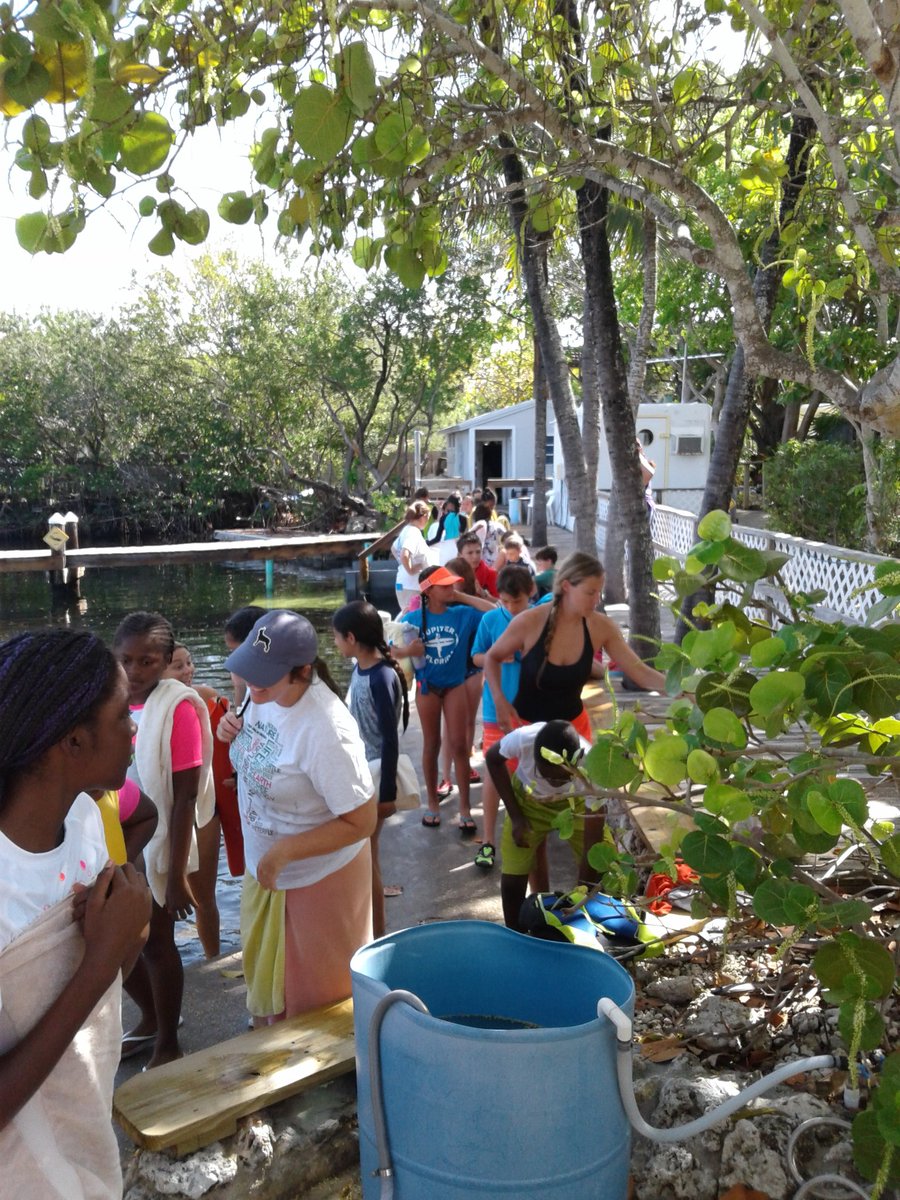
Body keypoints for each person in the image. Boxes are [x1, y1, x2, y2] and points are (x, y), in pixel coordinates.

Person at [0, 629, 151, 1197]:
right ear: (73, 743)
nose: (134, 726)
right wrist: (99, 965)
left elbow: (112, 961)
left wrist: (127, 929)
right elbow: (96, 973)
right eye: (120, 716)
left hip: (84, 1146)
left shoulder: (88, 823)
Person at [218, 611, 376, 1022]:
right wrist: (230, 732)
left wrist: (285, 851)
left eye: (265, 674)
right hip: (267, 868)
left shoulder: (326, 729)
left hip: (317, 880)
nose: (252, 680)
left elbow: (362, 821)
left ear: (303, 671)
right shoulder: (260, 692)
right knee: (273, 994)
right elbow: (265, 747)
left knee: (315, 1011)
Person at [114, 611, 215, 1068]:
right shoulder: (111, 703)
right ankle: (152, 1018)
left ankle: (168, 1041)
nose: (135, 673)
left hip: (155, 844)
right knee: (114, 944)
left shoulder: (178, 710)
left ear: (168, 660)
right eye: (126, 661)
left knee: (157, 942)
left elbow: (185, 797)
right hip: (114, 841)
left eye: (148, 662)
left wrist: (175, 876)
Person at [483, 551, 668, 743]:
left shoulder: (601, 626)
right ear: (566, 587)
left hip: (572, 732)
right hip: (525, 730)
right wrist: (499, 700)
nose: (597, 599)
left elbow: (639, 670)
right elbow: (492, 657)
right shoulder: (530, 621)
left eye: (599, 592)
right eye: (590, 592)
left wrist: (682, 691)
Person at [333, 601, 409, 938]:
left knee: (368, 856)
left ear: (351, 637)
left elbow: (390, 738)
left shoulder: (380, 676)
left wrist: (388, 793)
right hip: (362, 771)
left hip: (377, 775)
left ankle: (377, 933)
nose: (334, 643)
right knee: (366, 854)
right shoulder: (361, 669)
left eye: (336, 637)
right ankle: (372, 931)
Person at [396, 565, 492, 832]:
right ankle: (432, 804)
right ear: (428, 589)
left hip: (454, 686)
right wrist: (407, 650)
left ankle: (464, 808)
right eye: (445, 585)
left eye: (453, 584)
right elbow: (391, 652)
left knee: (460, 745)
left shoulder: (462, 614)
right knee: (432, 743)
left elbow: (494, 612)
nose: (451, 589)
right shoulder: (412, 619)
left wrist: (461, 596)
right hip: (428, 687)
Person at [485, 719, 594, 929]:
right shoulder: (522, 739)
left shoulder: (590, 762)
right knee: (511, 880)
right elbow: (492, 758)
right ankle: (516, 936)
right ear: (531, 754)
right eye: (546, 775)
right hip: (529, 801)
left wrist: (581, 898)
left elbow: (593, 843)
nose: (553, 783)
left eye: (561, 778)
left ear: (577, 760)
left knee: (602, 869)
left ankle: (592, 929)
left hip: (576, 803)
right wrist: (516, 816)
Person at [470, 564, 533, 869]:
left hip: (530, 711)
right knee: (494, 774)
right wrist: (496, 655)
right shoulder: (490, 619)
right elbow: (477, 656)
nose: (510, 607)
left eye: (517, 602)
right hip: (496, 711)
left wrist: (520, 654)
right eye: (505, 601)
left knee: (530, 775)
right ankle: (488, 841)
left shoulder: (539, 619)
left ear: (530, 594)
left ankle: (528, 832)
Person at [163, 641, 223, 957]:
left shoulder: (199, 699)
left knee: (204, 898)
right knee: (163, 905)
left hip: (202, 809)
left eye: (189, 662)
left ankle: (212, 959)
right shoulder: (149, 711)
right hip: (164, 815)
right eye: (178, 666)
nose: (187, 670)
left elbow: (216, 699)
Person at [392, 500, 432, 612]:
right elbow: (405, 554)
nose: (427, 521)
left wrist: (403, 565)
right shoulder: (414, 532)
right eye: (428, 518)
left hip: (403, 583)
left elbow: (394, 548)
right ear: (423, 516)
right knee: (412, 621)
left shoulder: (406, 530)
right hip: (412, 586)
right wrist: (411, 569)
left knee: (408, 618)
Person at [457, 530, 499, 598]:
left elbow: (501, 604)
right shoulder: (453, 574)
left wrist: (483, 594)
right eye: (470, 553)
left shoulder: (491, 574)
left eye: (478, 552)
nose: (475, 556)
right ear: (460, 555)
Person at [470, 502, 506, 570]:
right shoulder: (498, 526)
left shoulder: (476, 527)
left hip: (480, 564)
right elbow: (508, 537)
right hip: (497, 563)